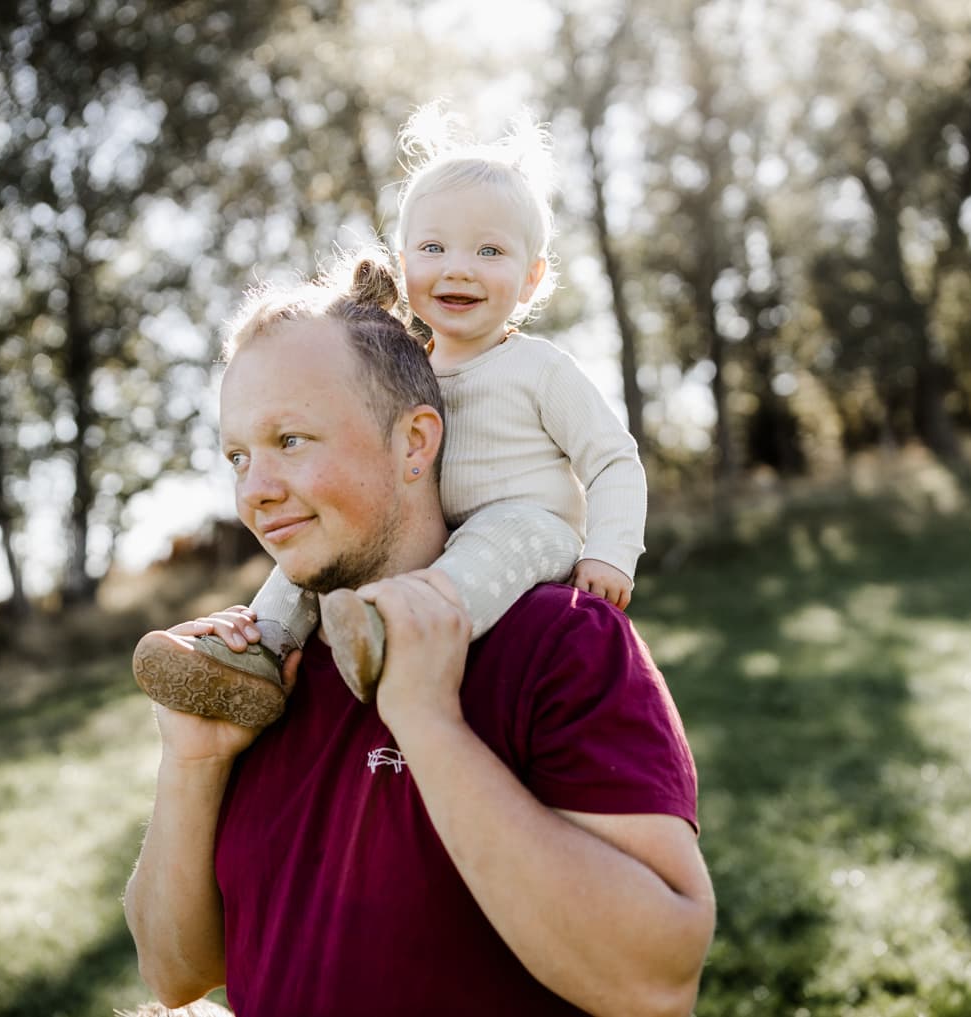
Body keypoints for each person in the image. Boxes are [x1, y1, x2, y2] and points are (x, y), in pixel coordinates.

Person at [121, 258, 714, 1016]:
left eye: (291, 439)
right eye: (238, 455)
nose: (254, 491)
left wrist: (429, 721)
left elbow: (654, 980)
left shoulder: (559, 641)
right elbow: (176, 973)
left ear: (414, 443)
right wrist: (192, 760)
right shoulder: (265, 680)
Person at [132, 104, 646, 718]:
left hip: (533, 529)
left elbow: (613, 459)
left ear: (532, 279)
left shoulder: (540, 369)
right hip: (439, 535)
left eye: (489, 251)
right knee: (318, 551)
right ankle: (256, 655)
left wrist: (610, 551)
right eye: (434, 247)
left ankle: (396, 634)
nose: (459, 267)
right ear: (405, 268)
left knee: (496, 535)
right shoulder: (410, 367)